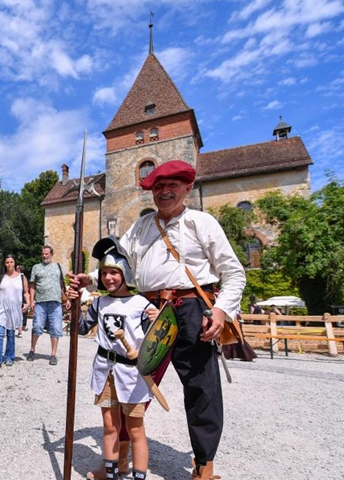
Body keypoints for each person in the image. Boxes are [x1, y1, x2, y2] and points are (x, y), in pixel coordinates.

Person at [70, 160, 245, 480]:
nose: (165, 192)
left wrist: (220, 310)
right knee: (129, 382)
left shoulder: (202, 223)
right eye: (158, 187)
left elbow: (234, 274)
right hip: (148, 311)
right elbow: (119, 265)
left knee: (202, 389)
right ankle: (120, 459)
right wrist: (91, 279)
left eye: (172, 185)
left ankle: (204, 467)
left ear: (187, 188)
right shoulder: (141, 227)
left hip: (193, 310)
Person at [71, 237, 154, 480]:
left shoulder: (141, 304)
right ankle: (110, 473)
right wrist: (73, 303)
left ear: (125, 273)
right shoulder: (99, 303)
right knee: (109, 425)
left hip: (131, 373)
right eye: (105, 273)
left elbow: (156, 342)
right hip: (104, 371)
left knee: (135, 428)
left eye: (114, 273)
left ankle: (138, 476)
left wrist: (158, 320)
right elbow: (81, 329)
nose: (108, 278)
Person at [28, 245, 70, 365]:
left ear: (51, 254)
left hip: (56, 303)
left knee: (56, 328)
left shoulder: (58, 266)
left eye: (47, 254)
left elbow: (62, 283)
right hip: (40, 302)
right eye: (43, 254)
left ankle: (53, 355)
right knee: (37, 326)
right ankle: (32, 350)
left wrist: (67, 299)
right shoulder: (36, 267)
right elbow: (32, 285)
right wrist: (32, 300)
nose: (44, 256)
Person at [0, 255, 30, 368]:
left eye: (11, 262)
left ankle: (9, 357)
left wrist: (28, 303)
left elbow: (26, 292)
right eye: (7, 262)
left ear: (15, 263)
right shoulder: (1, 277)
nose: (9, 264)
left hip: (14, 309)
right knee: (0, 333)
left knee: (11, 334)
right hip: (1, 308)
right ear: (4, 264)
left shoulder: (21, 277)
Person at [16, 265, 29, 337]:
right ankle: (20, 331)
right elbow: (26, 290)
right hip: (21, 298)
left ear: (18, 270)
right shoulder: (24, 278)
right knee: (20, 314)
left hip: (15, 297)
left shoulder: (16, 276)